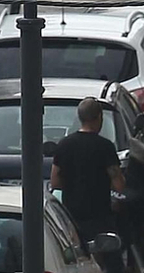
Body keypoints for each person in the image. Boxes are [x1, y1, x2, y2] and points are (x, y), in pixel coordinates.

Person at [49, 98, 124, 253]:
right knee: (111, 259)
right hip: (100, 217)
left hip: (72, 217)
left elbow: (55, 181)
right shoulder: (106, 147)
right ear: (99, 117)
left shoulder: (64, 145)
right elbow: (119, 184)